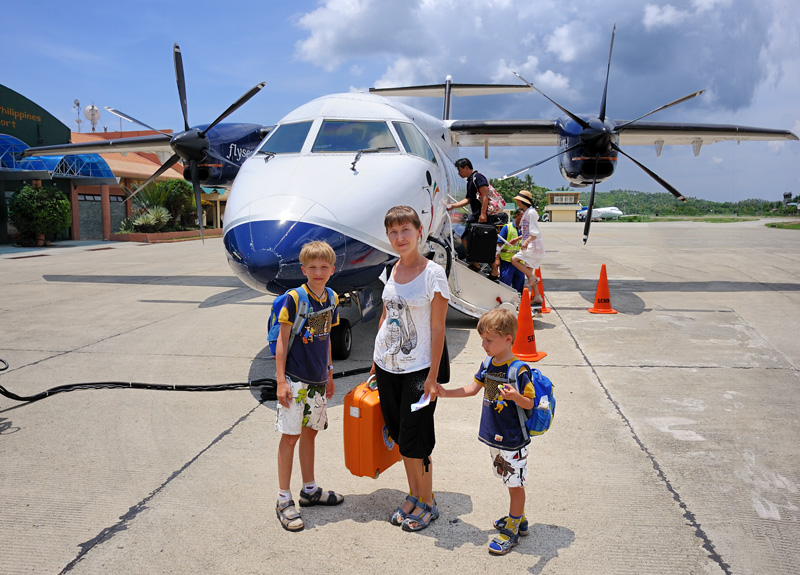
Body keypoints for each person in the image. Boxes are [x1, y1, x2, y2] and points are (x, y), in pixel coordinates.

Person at [372, 205, 450, 532]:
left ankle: (428, 500)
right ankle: (414, 494)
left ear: (420, 231)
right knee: (401, 435)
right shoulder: (391, 269)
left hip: (419, 370)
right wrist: (375, 362)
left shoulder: (434, 273)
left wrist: (432, 376)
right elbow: (387, 312)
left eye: (406, 230)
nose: (400, 237)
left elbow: (437, 329)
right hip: (387, 366)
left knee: (417, 438)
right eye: (393, 232)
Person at [436, 307, 535, 555]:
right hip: (495, 435)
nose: (484, 344)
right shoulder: (489, 363)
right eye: (482, 339)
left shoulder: (518, 370)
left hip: (513, 438)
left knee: (515, 483)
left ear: (508, 339)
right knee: (507, 478)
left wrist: (515, 397)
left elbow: (530, 403)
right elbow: (473, 388)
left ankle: (512, 528)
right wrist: (445, 392)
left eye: (489, 340)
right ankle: (518, 519)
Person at [274, 240, 343, 532]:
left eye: (324, 267)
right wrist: (280, 381)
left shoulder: (332, 298)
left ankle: (309, 489)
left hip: (317, 380)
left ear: (332, 269)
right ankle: (283, 498)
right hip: (294, 380)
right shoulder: (294, 299)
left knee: (310, 435)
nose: (318, 272)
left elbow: (325, 337)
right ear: (303, 269)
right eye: (312, 267)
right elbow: (281, 341)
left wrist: (329, 372)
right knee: (290, 437)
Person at [510, 190, 544, 305]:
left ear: (522, 201)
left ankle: (532, 278)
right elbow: (527, 232)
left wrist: (526, 242)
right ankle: (537, 296)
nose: (517, 202)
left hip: (532, 246)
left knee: (514, 260)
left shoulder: (531, 213)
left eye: (518, 200)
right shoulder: (528, 212)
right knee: (529, 271)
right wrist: (518, 239)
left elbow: (534, 232)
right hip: (530, 244)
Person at [494, 208, 526, 294]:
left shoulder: (525, 230)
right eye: (522, 216)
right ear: (516, 216)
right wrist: (497, 259)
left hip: (519, 263)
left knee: (519, 284)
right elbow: (499, 244)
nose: (524, 219)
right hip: (507, 262)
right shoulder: (507, 228)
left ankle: (518, 304)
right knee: (505, 284)